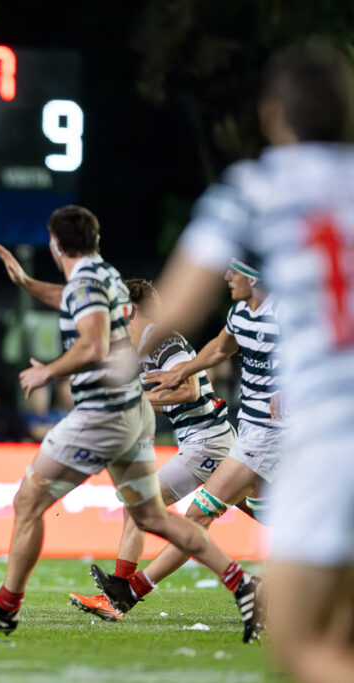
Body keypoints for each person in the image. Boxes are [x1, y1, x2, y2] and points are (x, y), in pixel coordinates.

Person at [0, 206, 261, 642]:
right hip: (134, 420)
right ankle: (239, 584)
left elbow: (92, 343)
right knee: (150, 515)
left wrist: (49, 370)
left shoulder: (141, 324)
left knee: (29, 501)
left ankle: (6, 608)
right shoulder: (105, 276)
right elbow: (72, 298)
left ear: (56, 244)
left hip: (108, 415)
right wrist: (27, 284)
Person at [149, 43, 354, 682]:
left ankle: (134, 586)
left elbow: (177, 305)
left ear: (271, 115)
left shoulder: (257, 187)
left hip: (322, 434)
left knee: (298, 642)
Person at [68, 277, 240, 621]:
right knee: (264, 509)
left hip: (207, 442)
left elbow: (189, 390)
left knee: (139, 505)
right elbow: (170, 401)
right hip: (207, 440)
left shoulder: (163, 342)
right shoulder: (146, 347)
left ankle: (117, 594)